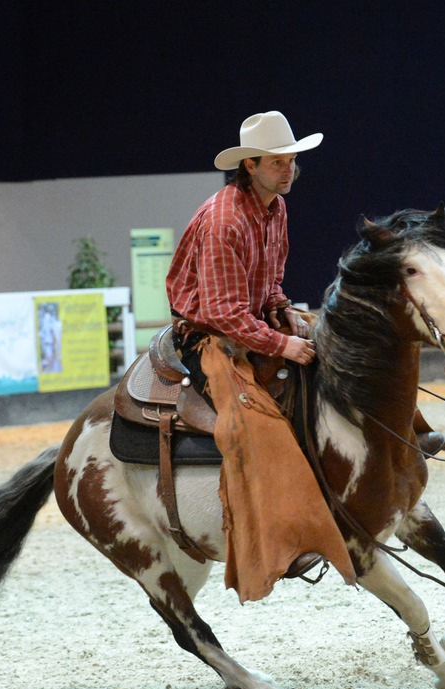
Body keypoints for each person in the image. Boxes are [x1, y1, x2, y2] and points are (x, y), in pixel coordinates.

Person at [165, 110, 358, 602]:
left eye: (291, 159)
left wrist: (281, 309)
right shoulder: (226, 218)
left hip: (249, 324)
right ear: (249, 165)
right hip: (207, 336)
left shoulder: (275, 210)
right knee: (252, 424)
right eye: (276, 161)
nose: (287, 168)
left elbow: (267, 283)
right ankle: (266, 539)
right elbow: (222, 313)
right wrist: (283, 343)